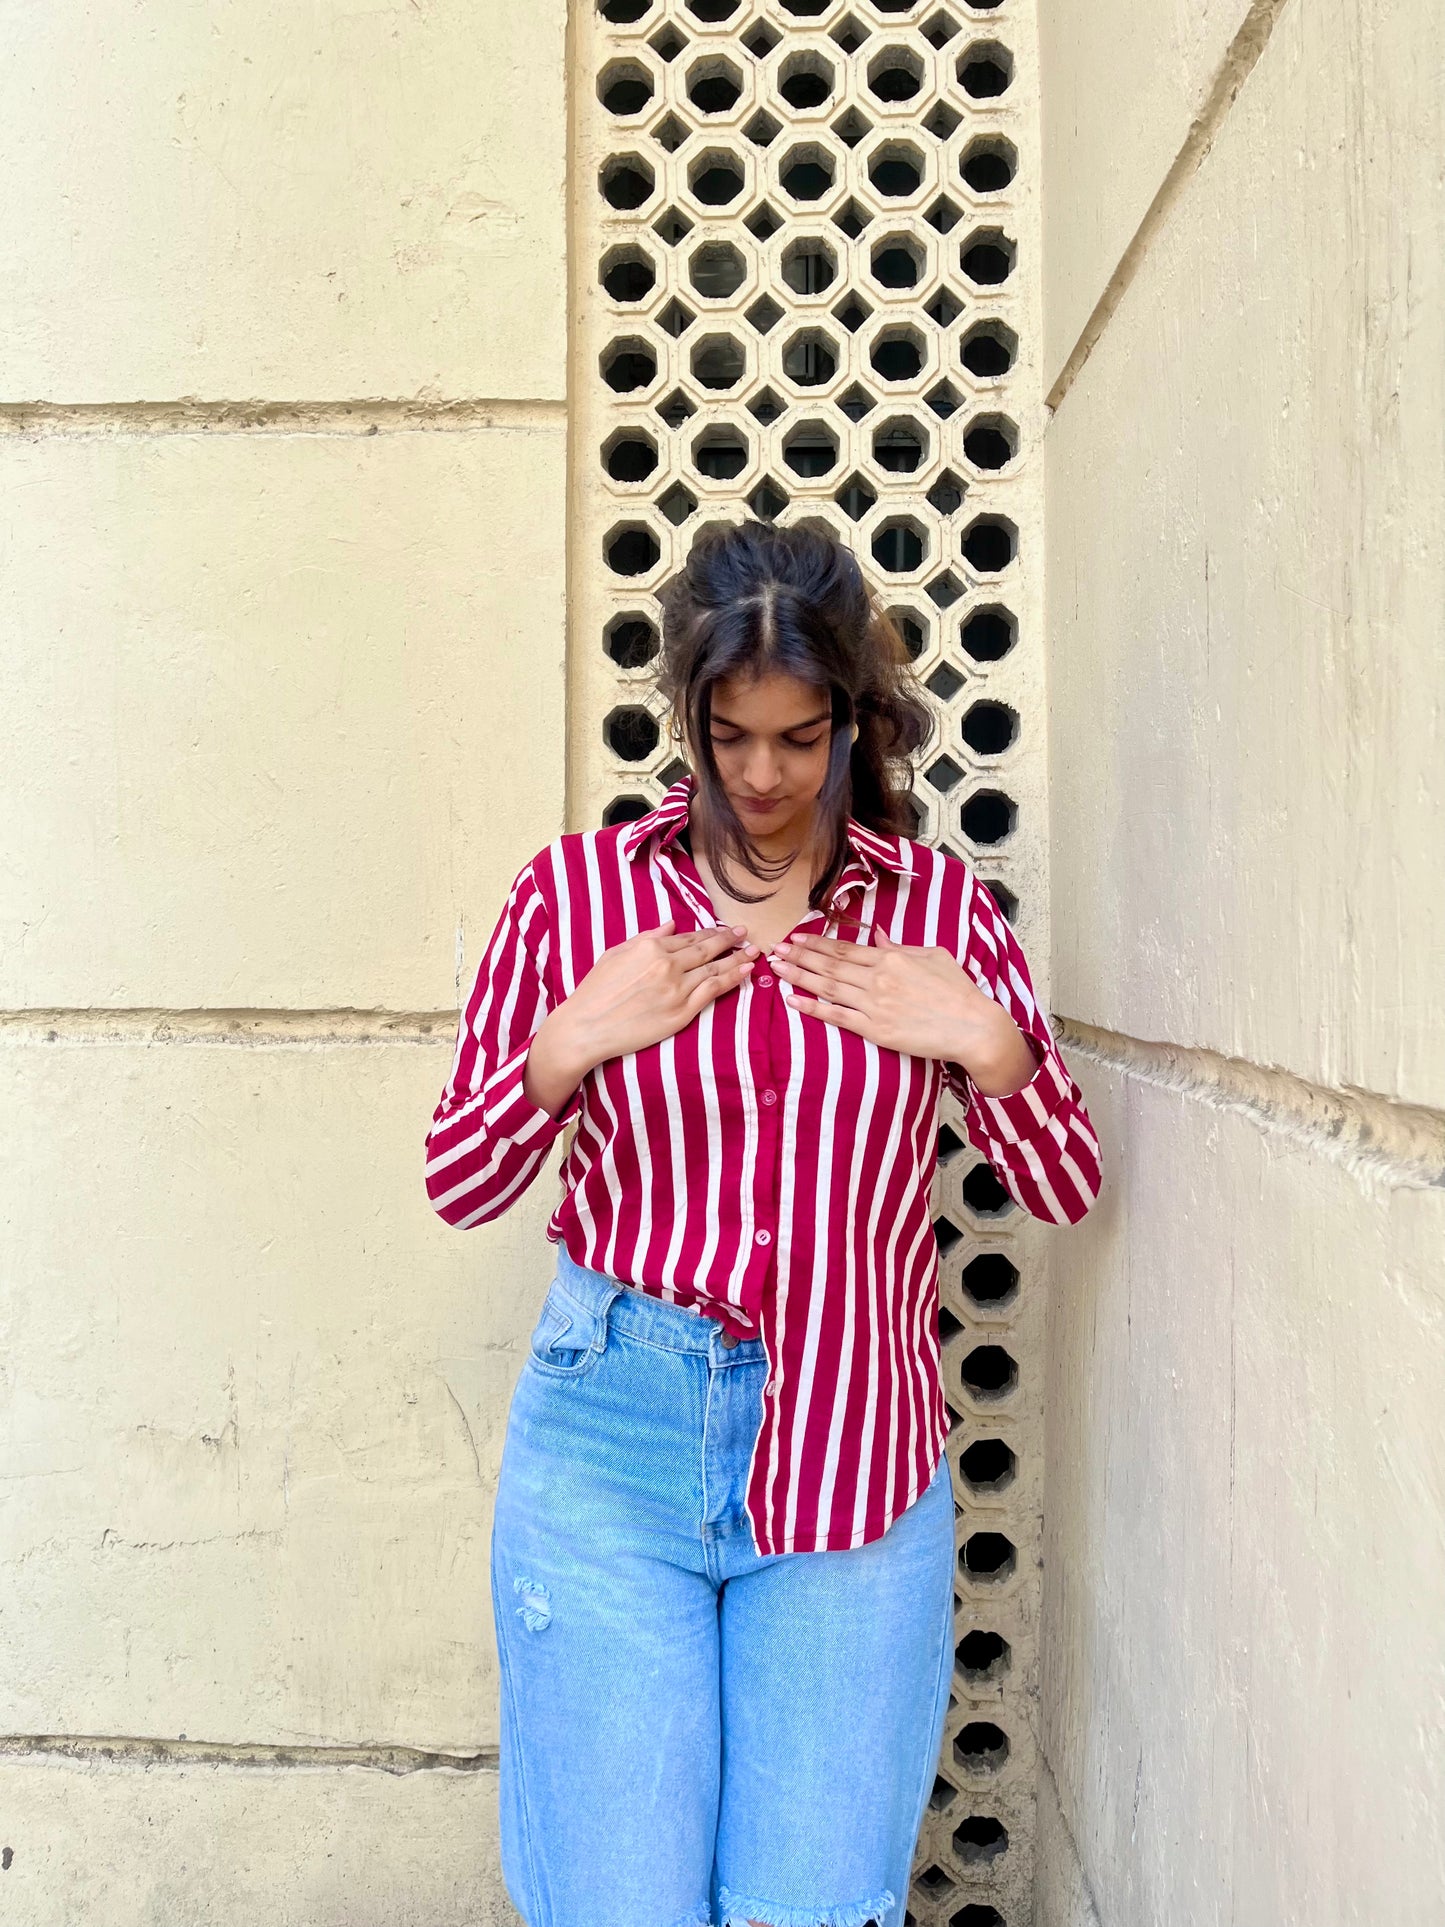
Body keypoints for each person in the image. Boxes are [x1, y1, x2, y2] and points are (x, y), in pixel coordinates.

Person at [424, 518, 1101, 1927]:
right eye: (728, 733)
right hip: (612, 1445)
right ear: (688, 710)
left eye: (800, 738)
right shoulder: (574, 900)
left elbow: (1059, 1185)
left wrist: (987, 1047)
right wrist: (567, 1046)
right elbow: (461, 1179)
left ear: (854, 720)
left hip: (851, 1459)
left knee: (807, 1908)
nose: (761, 775)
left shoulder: (935, 913)